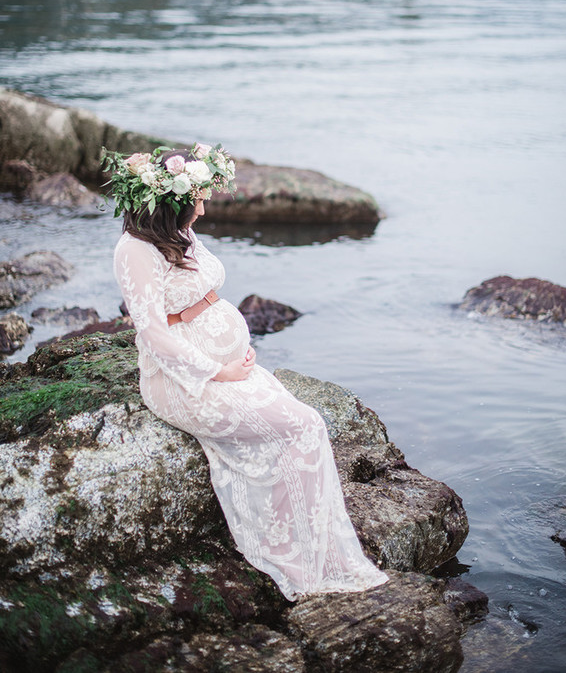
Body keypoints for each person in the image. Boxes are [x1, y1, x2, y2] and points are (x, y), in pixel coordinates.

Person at [107, 143, 389, 601]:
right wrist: (217, 371)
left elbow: (201, 297)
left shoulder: (178, 233)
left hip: (227, 367)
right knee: (303, 427)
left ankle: (315, 548)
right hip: (181, 381)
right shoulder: (135, 250)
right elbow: (153, 334)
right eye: (197, 199)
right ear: (172, 200)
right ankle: (295, 556)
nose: (203, 209)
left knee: (307, 426)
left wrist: (234, 350)